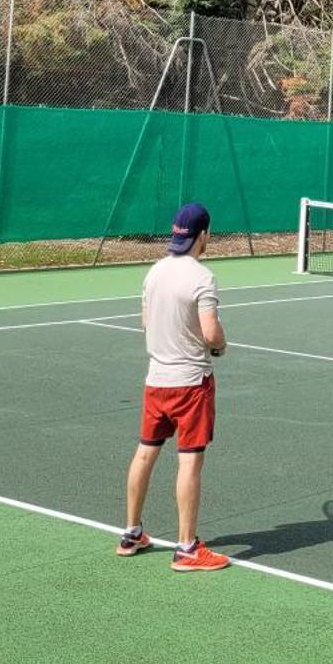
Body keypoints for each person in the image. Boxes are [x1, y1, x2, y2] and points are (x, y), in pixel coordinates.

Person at [117, 201, 230, 571]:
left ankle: (131, 533)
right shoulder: (202, 277)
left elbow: (146, 322)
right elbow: (211, 331)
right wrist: (219, 345)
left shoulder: (155, 272)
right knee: (190, 462)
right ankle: (186, 548)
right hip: (191, 384)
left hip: (156, 381)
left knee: (145, 453)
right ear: (205, 234)